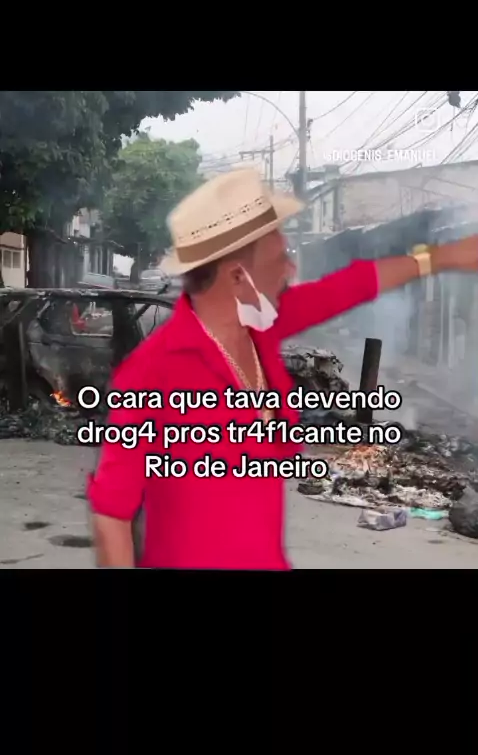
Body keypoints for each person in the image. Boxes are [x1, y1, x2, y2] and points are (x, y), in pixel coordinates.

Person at [88, 169, 478, 569]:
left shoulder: (261, 330)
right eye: (279, 260)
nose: (290, 270)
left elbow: (347, 286)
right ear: (237, 278)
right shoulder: (154, 371)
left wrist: (441, 258)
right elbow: (112, 516)